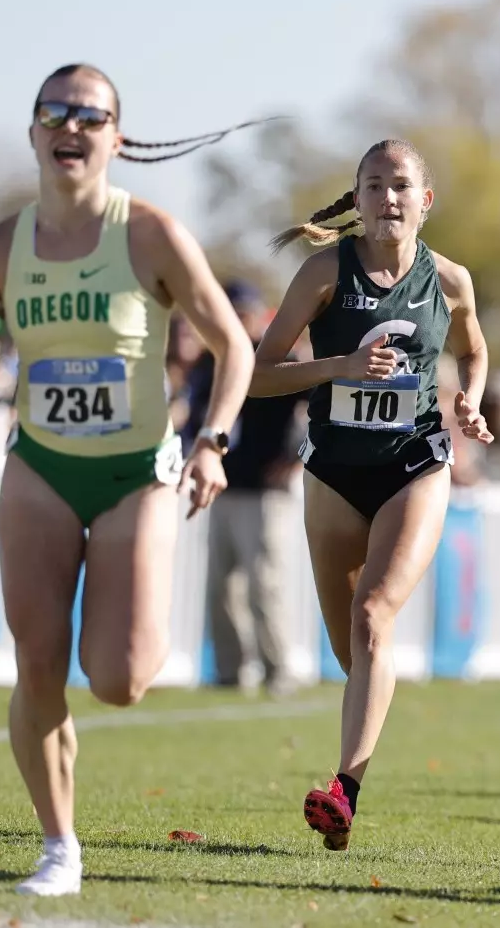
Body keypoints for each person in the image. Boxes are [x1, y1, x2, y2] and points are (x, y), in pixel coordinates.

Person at [0, 64, 262, 896]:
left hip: (136, 475)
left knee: (117, 677)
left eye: (91, 115)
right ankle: (58, 845)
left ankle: (127, 629)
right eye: (56, 112)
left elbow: (234, 345)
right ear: (34, 131)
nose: (70, 127)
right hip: (39, 466)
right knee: (37, 661)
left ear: (117, 138)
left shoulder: (148, 233)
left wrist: (213, 441)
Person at [249, 138, 494, 852]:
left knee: (374, 614)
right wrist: (341, 366)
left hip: (415, 462)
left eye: (400, 185)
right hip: (332, 469)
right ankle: (356, 762)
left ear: (426, 200)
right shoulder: (323, 271)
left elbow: (474, 348)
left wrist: (470, 400)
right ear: (356, 200)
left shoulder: (449, 279)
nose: (388, 197)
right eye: (374, 185)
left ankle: (343, 790)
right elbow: (260, 374)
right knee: (353, 648)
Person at [186, 281, 306, 696]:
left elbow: (319, 404)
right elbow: (195, 416)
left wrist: (296, 456)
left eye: (244, 313)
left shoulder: (277, 361)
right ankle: (229, 670)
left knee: (263, 583)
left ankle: (277, 668)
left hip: (264, 492)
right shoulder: (208, 362)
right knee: (220, 586)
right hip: (224, 485)